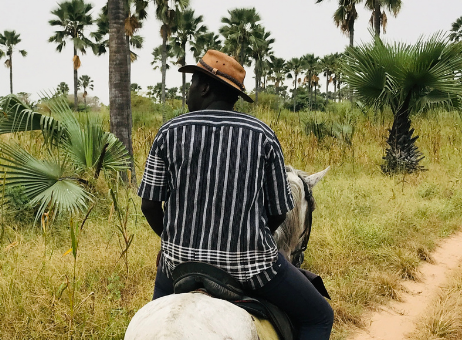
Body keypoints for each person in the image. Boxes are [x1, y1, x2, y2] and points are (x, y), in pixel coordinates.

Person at [138, 50, 334, 340]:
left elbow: (149, 205)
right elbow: (280, 209)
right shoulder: (262, 135)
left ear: (205, 87)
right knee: (319, 317)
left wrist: (174, 243)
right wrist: (249, 238)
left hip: (178, 263)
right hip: (251, 266)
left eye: (192, 82)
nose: (189, 90)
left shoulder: (169, 132)